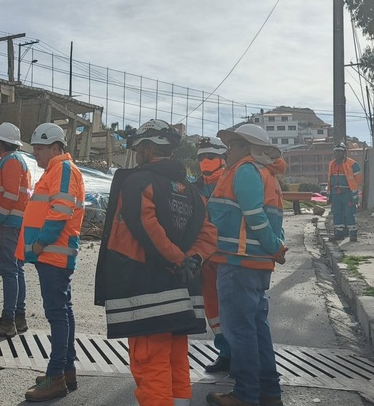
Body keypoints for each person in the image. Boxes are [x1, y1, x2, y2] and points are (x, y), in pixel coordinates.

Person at [94, 119, 217, 406]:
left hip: (146, 291)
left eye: (138, 149)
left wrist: (176, 259)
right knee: (175, 360)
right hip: (181, 293)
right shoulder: (191, 191)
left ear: (148, 150)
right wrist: (191, 259)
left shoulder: (138, 182)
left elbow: (145, 225)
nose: (137, 156)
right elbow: (209, 233)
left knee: (149, 363)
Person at [206, 124, 289, 406]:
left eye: (234, 145)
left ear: (249, 148)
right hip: (254, 265)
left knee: (240, 331)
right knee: (256, 330)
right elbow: (273, 219)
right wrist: (275, 247)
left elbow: (254, 216)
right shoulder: (267, 175)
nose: (228, 151)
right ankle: (268, 392)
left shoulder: (245, 171)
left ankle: (245, 395)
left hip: (238, 263)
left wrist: (274, 247)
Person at [17, 123, 85, 402]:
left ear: (56, 147)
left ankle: (56, 376)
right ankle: (66, 370)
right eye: (34, 149)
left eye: (41, 149)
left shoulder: (63, 170)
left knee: (57, 313)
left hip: (53, 253)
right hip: (51, 254)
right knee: (62, 311)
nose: (36, 154)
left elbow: (60, 211)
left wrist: (41, 243)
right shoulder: (56, 171)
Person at [0, 122, 32, 337]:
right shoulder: (15, 161)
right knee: (16, 270)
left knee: (9, 271)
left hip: (8, 224)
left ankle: (8, 320)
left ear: (1, 143)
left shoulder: (10, 162)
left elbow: (10, 195)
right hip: (15, 224)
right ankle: (18, 318)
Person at [192, 136, 232, 373]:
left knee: (235, 308)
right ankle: (225, 352)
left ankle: (243, 355)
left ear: (222, 158)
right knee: (213, 309)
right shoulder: (194, 186)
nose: (205, 161)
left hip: (230, 255)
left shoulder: (232, 181)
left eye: (210, 157)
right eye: (201, 157)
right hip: (206, 259)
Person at [328, 143, 363, 242]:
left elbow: (359, 179)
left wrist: (353, 189)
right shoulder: (331, 164)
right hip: (336, 193)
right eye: (336, 151)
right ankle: (338, 234)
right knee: (337, 213)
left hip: (348, 193)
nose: (338, 153)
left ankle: (353, 234)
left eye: (340, 151)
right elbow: (330, 179)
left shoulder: (352, 164)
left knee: (349, 214)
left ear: (344, 152)